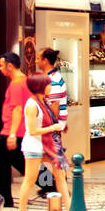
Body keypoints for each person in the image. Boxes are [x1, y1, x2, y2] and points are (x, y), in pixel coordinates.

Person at [15, 74, 69, 211]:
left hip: (48, 145)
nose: (50, 87)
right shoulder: (32, 104)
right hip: (34, 146)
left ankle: (70, 209)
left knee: (60, 175)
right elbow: (32, 131)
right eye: (48, 84)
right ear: (40, 86)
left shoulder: (44, 101)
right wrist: (53, 127)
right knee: (30, 179)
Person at [0, 51, 29, 208]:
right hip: (22, 131)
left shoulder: (15, 84)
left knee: (0, 167)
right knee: (26, 164)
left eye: (1, 65)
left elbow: (17, 109)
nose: (0, 69)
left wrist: (12, 134)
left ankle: (4, 200)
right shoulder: (26, 81)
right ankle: (53, 185)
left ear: (9, 65)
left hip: (11, 132)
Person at [38, 46, 69, 185]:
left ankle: (56, 184)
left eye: (39, 58)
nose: (37, 61)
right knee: (51, 155)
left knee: (53, 155)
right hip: (53, 125)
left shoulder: (53, 80)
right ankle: (53, 184)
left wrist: (52, 126)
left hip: (51, 125)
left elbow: (54, 105)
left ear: (45, 60)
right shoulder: (52, 77)